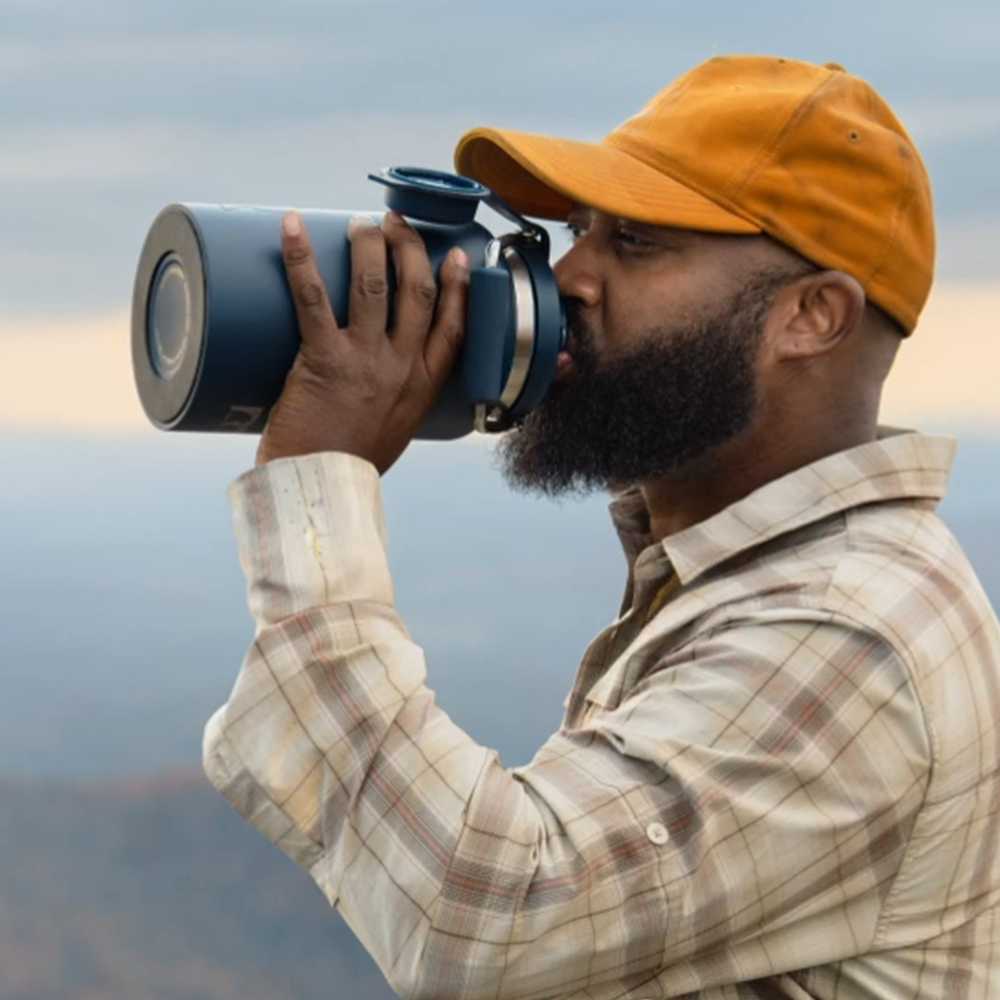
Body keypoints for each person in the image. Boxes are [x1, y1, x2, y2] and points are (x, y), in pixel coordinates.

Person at [202, 55, 1000, 999]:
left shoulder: (847, 630)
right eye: (580, 229)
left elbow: (487, 919)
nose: (569, 273)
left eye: (640, 242)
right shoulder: (758, 574)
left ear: (812, 317)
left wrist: (314, 487)